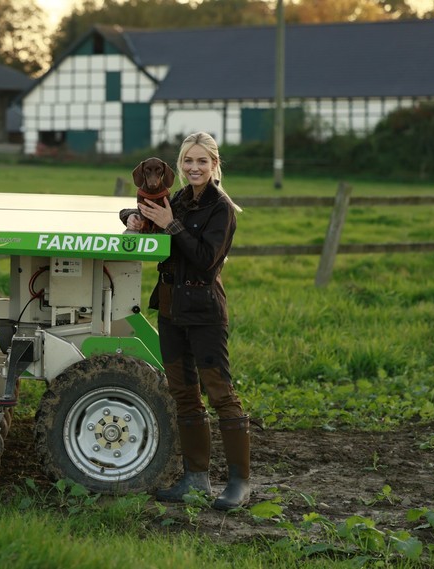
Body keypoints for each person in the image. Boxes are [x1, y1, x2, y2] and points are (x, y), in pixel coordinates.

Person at [120, 132, 250, 511]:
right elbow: (153, 222)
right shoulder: (177, 199)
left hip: (205, 312)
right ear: (180, 166)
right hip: (172, 309)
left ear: (214, 165)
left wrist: (172, 225)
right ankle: (196, 479)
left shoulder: (220, 207)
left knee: (221, 394)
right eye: (188, 162)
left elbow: (207, 257)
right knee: (184, 394)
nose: (194, 168)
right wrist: (132, 217)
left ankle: (240, 482)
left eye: (202, 162)